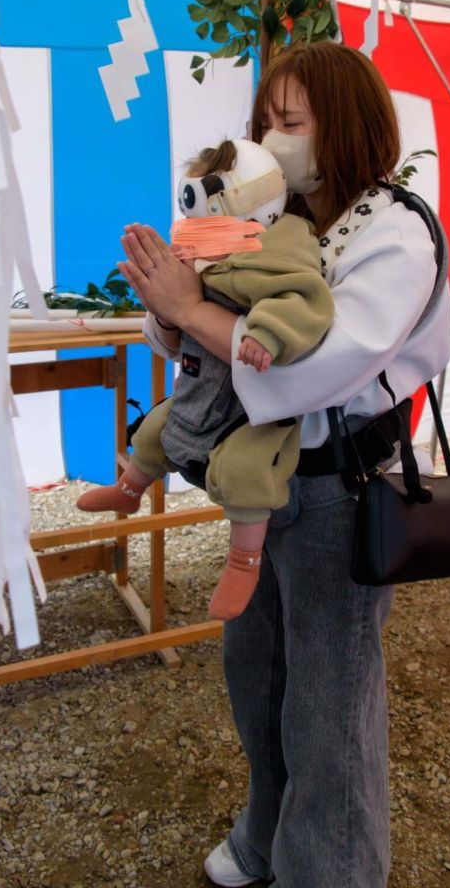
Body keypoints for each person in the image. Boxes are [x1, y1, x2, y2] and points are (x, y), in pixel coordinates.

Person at [117, 42, 450, 888]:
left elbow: (317, 368)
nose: (273, 135)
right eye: (266, 119)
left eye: (292, 122)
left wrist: (192, 310)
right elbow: (195, 339)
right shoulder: (270, 218)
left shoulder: (396, 229)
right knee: (255, 670)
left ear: (345, 127)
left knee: (329, 702)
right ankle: (267, 834)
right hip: (260, 487)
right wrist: (169, 304)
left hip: (339, 488)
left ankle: (329, 870)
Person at [76, 138, 334, 620]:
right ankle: (130, 489)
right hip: (200, 382)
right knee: (155, 428)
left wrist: (269, 334)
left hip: (252, 407)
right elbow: (171, 328)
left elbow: (301, 299)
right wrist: (167, 311)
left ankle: (243, 560)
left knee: (244, 472)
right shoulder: (206, 250)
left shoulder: (279, 246)